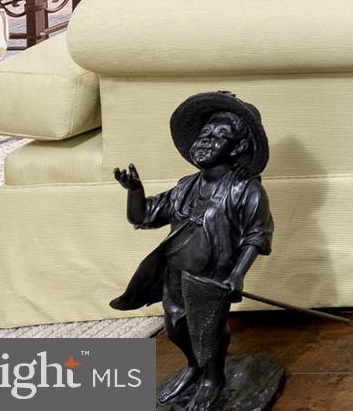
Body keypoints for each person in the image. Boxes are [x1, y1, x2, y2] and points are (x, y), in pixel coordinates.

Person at [111, 93, 273, 411]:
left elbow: (258, 235)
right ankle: (194, 369)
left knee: (208, 332)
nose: (207, 142)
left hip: (210, 279)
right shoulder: (187, 186)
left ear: (238, 147)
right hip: (175, 274)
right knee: (176, 327)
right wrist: (135, 192)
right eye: (205, 134)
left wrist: (237, 276)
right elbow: (143, 216)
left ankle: (213, 379)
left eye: (219, 137)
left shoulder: (246, 190)